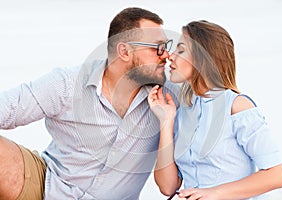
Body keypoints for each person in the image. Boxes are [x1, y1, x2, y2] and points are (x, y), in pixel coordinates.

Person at [0, 7, 179, 200]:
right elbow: (7, 108)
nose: (166, 56)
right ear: (125, 51)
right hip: (49, 188)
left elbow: (210, 89)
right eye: (157, 48)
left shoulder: (168, 97)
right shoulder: (67, 83)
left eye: (166, 47)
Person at [148, 20, 282, 200]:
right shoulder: (183, 112)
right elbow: (167, 187)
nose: (171, 57)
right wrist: (166, 122)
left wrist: (213, 194)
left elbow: (276, 175)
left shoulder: (236, 106)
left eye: (181, 50)